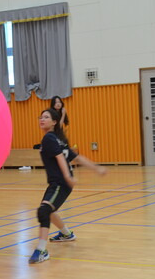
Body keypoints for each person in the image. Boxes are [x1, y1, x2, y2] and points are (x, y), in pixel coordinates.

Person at [29, 108, 106, 264]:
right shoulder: (58, 139)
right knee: (49, 210)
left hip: (60, 183)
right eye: (40, 117)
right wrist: (97, 168)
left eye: (46, 117)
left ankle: (41, 250)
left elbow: (60, 158)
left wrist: (67, 177)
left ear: (54, 122)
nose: (41, 119)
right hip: (58, 182)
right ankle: (66, 234)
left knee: (44, 211)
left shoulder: (49, 139)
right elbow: (77, 157)